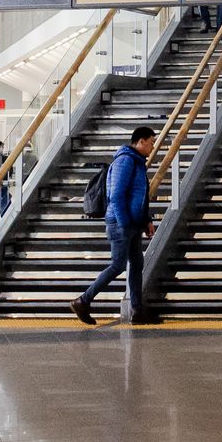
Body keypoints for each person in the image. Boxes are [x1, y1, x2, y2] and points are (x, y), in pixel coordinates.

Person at [69, 126, 159, 326]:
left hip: (132, 223)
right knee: (118, 265)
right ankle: (83, 300)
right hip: (121, 223)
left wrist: (146, 219)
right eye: (151, 143)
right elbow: (116, 195)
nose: (153, 147)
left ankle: (137, 311)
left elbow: (139, 196)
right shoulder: (125, 160)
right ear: (141, 141)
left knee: (137, 264)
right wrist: (125, 223)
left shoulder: (137, 162)